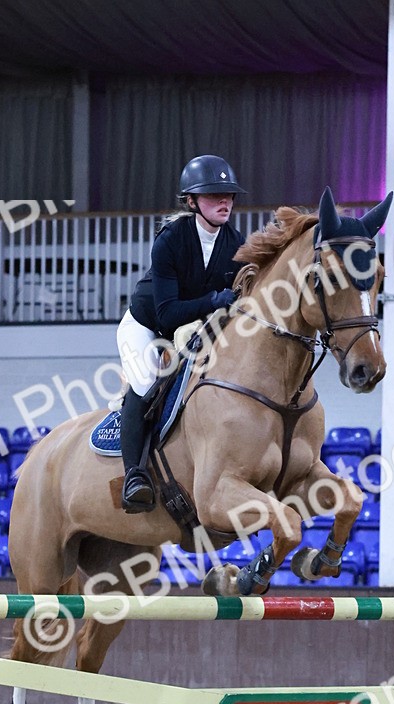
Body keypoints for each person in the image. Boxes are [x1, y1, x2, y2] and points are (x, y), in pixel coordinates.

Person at [116, 154, 247, 512]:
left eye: (229, 195)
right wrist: (213, 300)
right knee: (145, 382)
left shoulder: (235, 243)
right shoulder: (171, 240)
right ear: (191, 201)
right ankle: (134, 477)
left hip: (192, 327)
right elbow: (167, 313)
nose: (225, 201)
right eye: (214, 194)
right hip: (147, 326)